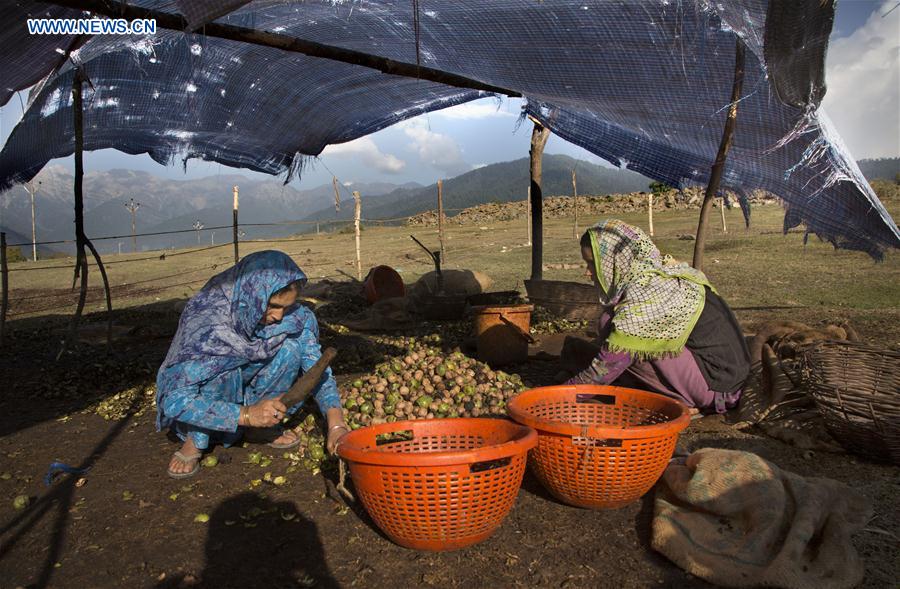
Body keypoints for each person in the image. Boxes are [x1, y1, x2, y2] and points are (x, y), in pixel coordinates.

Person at [156, 250, 348, 478]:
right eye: (273, 306)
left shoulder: (293, 317)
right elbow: (175, 400)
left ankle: (260, 428)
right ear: (252, 296)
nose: (278, 316)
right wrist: (246, 415)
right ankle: (196, 440)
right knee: (219, 371)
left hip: (255, 389)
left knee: (291, 348)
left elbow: (315, 367)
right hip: (217, 390)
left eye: (286, 307)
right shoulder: (208, 322)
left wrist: (337, 424)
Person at [566, 219, 750, 414]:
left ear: (614, 261)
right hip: (724, 377)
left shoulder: (649, 292)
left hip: (717, 388)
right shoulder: (657, 274)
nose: (587, 272)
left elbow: (607, 365)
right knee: (615, 329)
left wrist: (565, 393)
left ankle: (682, 399)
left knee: (616, 332)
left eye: (592, 264)